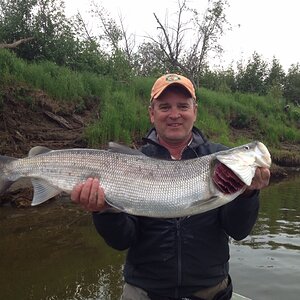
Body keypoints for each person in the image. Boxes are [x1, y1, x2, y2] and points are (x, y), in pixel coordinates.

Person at [71, 73, 270, 300]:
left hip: (210, 292)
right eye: (165, 107)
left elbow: (238, 231)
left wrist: (248, 195)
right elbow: (122, 241)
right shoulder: (130, 163)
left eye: (183, 106)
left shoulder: (218, 162)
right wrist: (103, 211)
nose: (174, 114)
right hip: (145, 292)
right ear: (152, 113)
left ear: (195, 111)